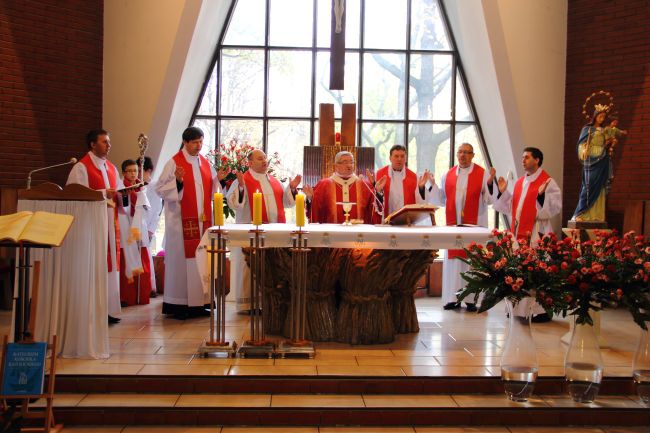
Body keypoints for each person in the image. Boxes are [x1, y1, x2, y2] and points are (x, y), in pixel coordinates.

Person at [155, 126, 226, 319]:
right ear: (185, 142)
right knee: (182, 263)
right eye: (195, 142)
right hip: (180, 224)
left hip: (203, 222)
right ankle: (179, 304)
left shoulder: (204, 163)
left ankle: (199, 303)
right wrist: (177, 181)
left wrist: (218, 180)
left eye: (201, 141)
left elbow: (212, 192)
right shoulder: (174, 162)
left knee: (201, 260)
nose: (199, 145)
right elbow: (160, 188)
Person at [226, 148, 301, 313]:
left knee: (271, 266)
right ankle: (248, 305)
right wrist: (240, 188)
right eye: (260, 159)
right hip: (250, 232)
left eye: (265, 158)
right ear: (250, 163)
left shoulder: (274, 181)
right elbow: (234, 204)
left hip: (273, 233)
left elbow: (287, 203)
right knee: (249, 267)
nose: (264, 161)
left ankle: (270, 301)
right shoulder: (242, 180)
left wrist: (292, 189)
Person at [493, 147, 562, 322]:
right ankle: (518, 309)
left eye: (527, 157)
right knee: (519, 268)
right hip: (519, 232)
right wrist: (503, 192)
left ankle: (539, 310)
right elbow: (511, 207)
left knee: (537, 268)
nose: (523, 160)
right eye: (522, 157)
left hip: (537, 232)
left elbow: (554, 207)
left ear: (537, 160)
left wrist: (540, 197)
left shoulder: (547, 181)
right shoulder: (520, 182)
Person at [427, 143, 496, 312]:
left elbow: (490, 199)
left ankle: (472, 299)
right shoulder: (448, 174)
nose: (463, 155)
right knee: (453, 261)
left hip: (474, 224)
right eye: (460, 152)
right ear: (457, 154)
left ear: (473, 155)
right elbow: (441, 199)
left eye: (466, 153)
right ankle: (452, 298)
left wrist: (490, 183)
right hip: (454, 226)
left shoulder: (482, 174)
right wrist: (433, 185)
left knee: (472, 261)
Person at [66, 129, 123, 324]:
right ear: (92, 144)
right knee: (95, 264)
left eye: (109, 141)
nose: (109, 145)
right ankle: (93, 310)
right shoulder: (81, 168)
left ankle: (109, 309)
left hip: (109, 223)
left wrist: (125, 193)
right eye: (105, 142)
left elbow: (119, 194)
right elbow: (74, 196)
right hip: (91, 226)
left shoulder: (112, 168)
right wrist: (102, 193)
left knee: (109, 265)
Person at [304, 151, 385, 224]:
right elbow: (315, 210)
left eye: (351, 162)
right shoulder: (324, 184)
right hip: (331, 233)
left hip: (358, 234)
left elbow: (373, 209)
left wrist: (377, 192)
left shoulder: (364, 184)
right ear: (336, 166)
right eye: (345, 162)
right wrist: (310, 198)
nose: (349, 165)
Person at [117, 159, 152, 306]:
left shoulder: (141, 186)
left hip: (139, 226)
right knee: (128, 256)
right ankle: (127, 296)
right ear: (124, 172)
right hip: (126, 224)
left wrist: (140, 194)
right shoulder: (120, 186)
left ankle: (142, 294)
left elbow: (146, 208)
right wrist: (127, 194)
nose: (133, 174)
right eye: (130, 171)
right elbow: (122, 206)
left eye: (135, 171)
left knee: (141, 254)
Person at [572, 109, 616, 222]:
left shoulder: (604, 130)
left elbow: (607, 142)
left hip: (602, 158)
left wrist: (610, 142)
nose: (602, 119)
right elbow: (581, 145)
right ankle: (581, 213)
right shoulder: (587, 129)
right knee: (588, 185)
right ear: (595, 116)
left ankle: (597, 215)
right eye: (600, 116)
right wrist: (583, 151)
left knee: (600, 186)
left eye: (603, 117)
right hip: (590, 160)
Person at [375, 144, 431, 217]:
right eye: (396, 156)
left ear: (406, 159)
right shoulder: (379, 175)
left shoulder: (414, 177)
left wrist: (421, 188)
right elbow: (373, 202)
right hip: (385, 221)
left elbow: (422, 204)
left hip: (406, 222)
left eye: (402, 156)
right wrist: (378, 191)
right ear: (390, 158)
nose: (399, 159)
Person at [141, 156, 163, 297]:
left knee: (145, 257)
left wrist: (150, 230)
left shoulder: (154, 187)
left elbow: (156, 211)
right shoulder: (134, 186)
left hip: (147, 226)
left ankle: (149, 287)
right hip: (134, 226)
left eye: (139, 170)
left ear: (148, 170)